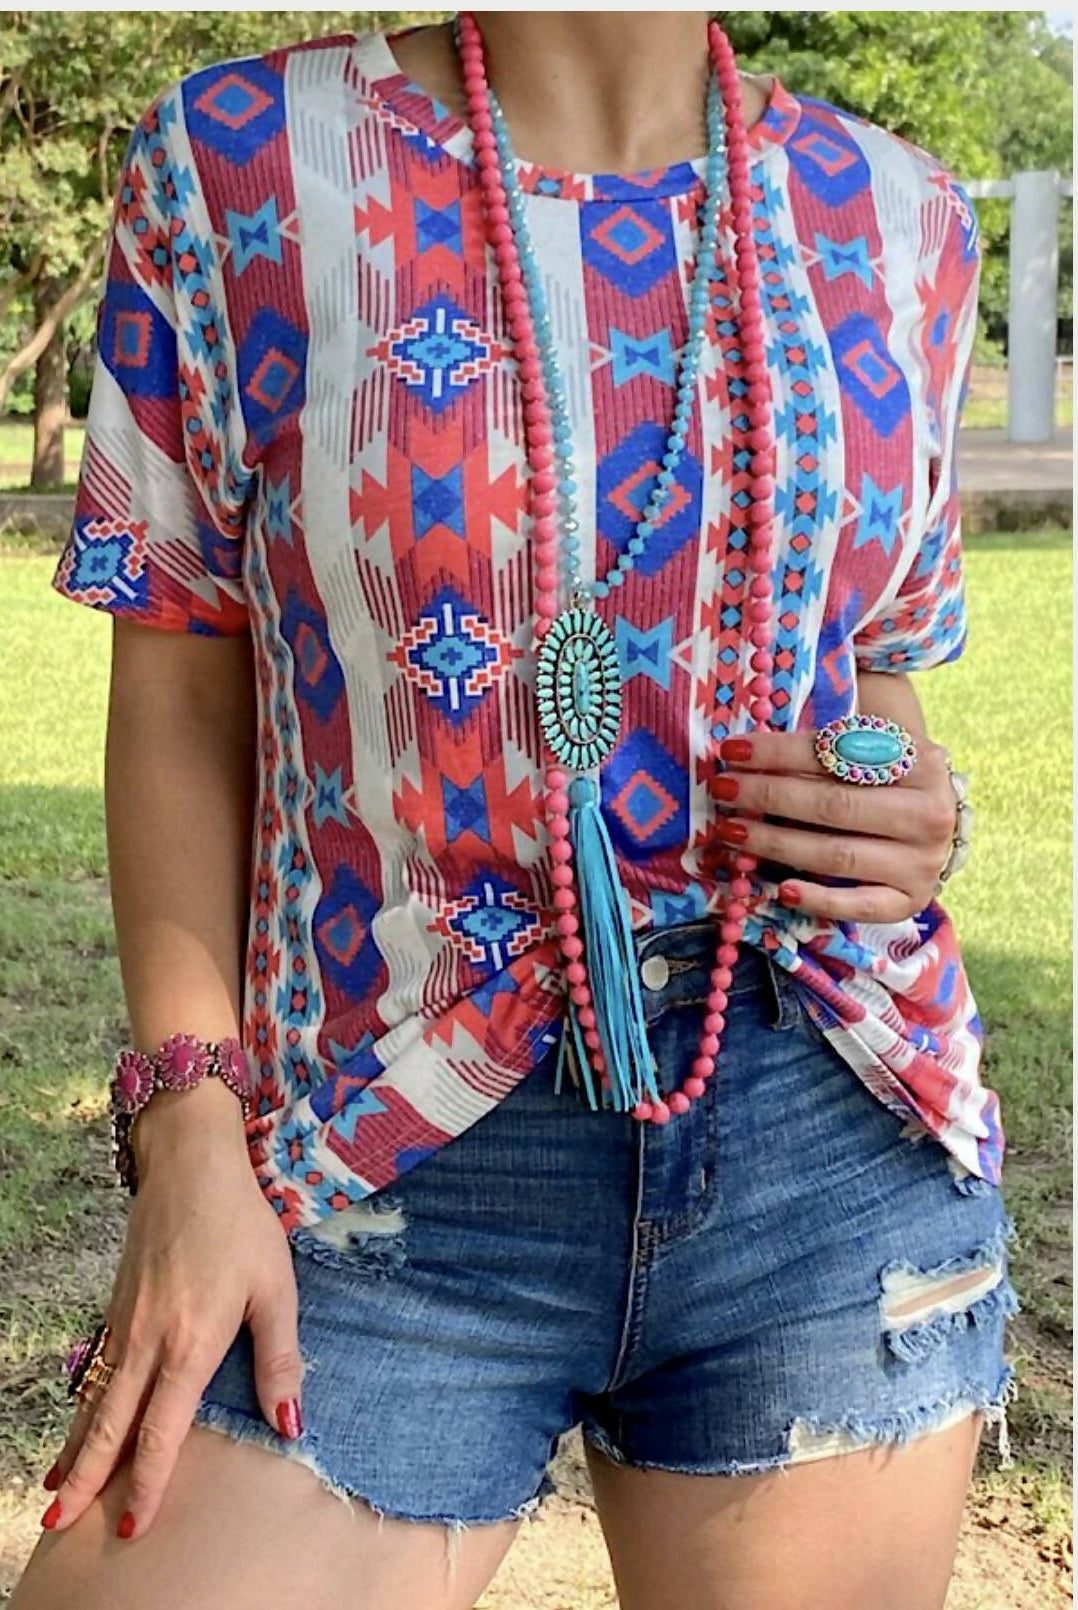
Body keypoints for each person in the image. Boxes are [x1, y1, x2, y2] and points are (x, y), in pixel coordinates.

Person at [12, 12, 1017, 1610]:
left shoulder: (897, 212)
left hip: (817, 1130)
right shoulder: (234, 164)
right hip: (380, 1143)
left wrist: (913, 802)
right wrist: (188, 1121)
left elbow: (878, 685)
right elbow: (178, 698)